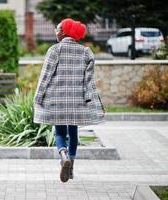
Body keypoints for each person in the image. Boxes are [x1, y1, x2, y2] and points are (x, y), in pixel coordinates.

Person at [33, 18, 106, 183]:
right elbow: (89, 82)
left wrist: (38, 97)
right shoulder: (86, 52)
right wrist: (96, 102)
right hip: (77, 102)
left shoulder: (54, 50)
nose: (55, 31)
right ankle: (71, 165)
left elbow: (45, 77)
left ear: (64, 32)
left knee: (59, 133)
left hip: (57, 101)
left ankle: (63, 155)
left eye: (57, 28)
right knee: (74, 133)